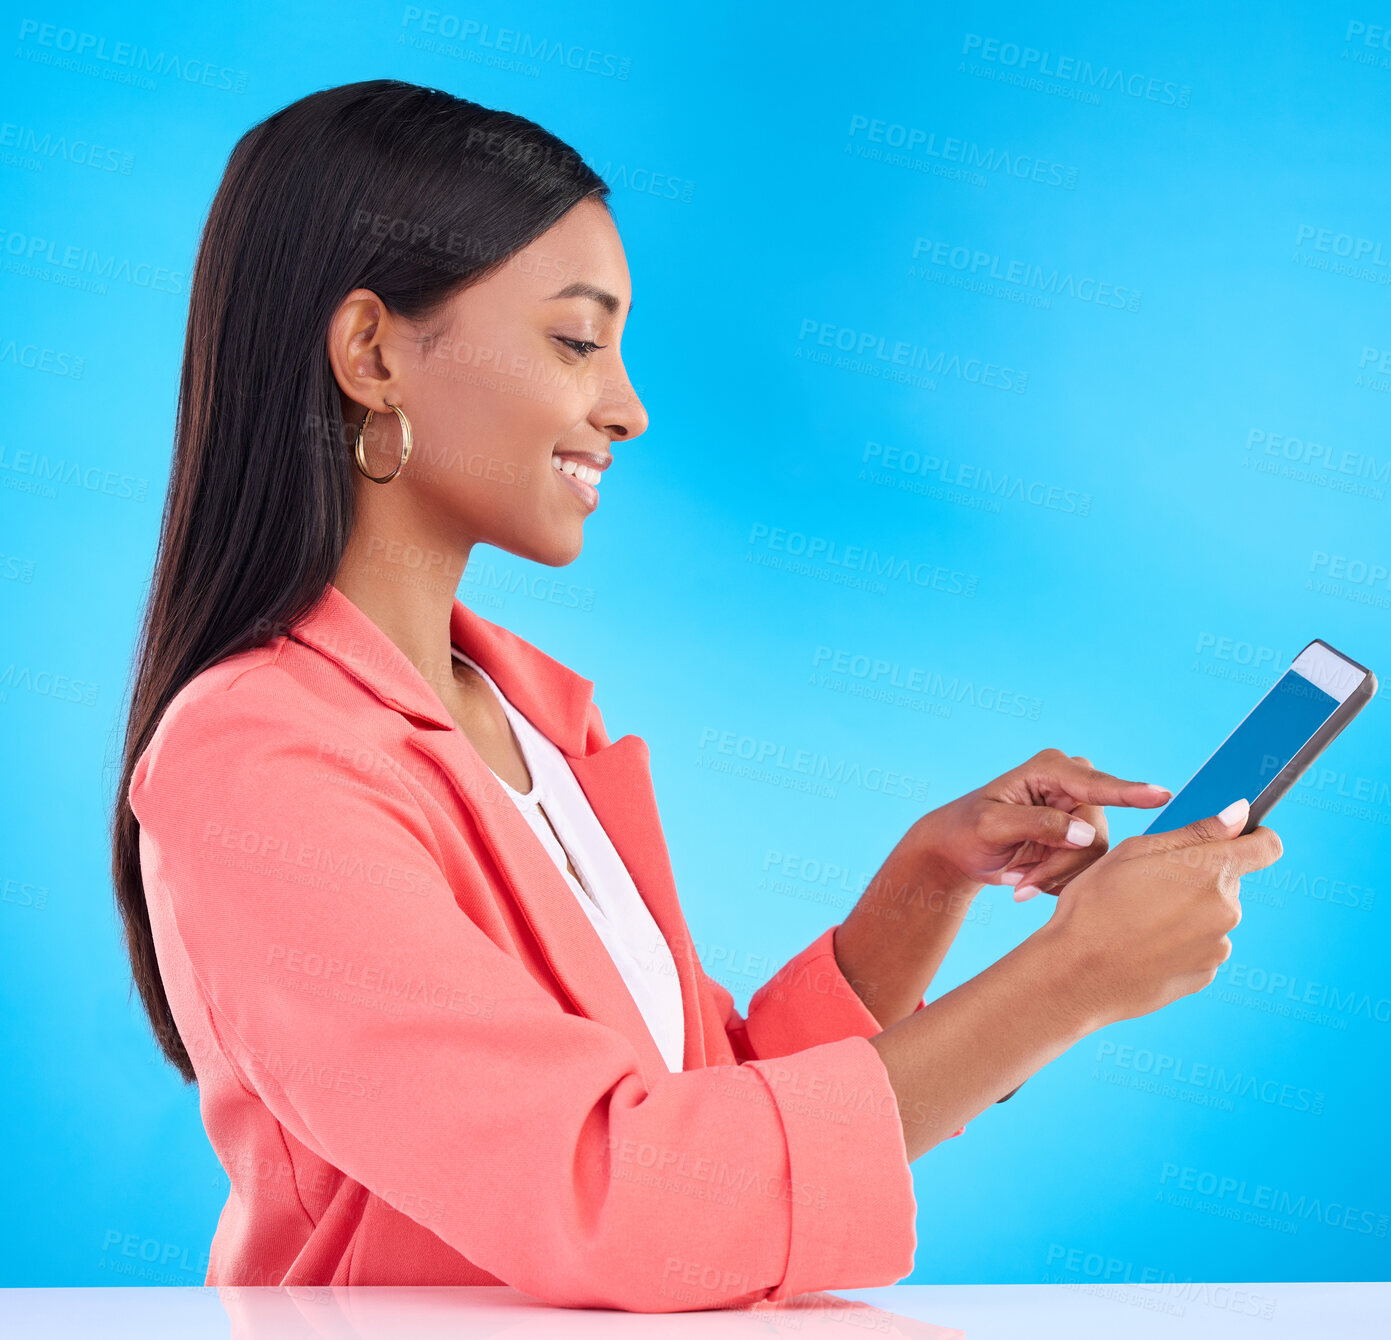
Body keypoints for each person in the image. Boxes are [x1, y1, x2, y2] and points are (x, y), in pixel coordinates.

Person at [111, 79, 1283, 1312]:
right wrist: (1070, 978)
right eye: (576, 340)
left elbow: (701, 1107)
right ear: (372, 351)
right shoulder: (259, 761)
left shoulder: (531, 721)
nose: (627, 405)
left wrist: (926, 883)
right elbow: (628, 1198)